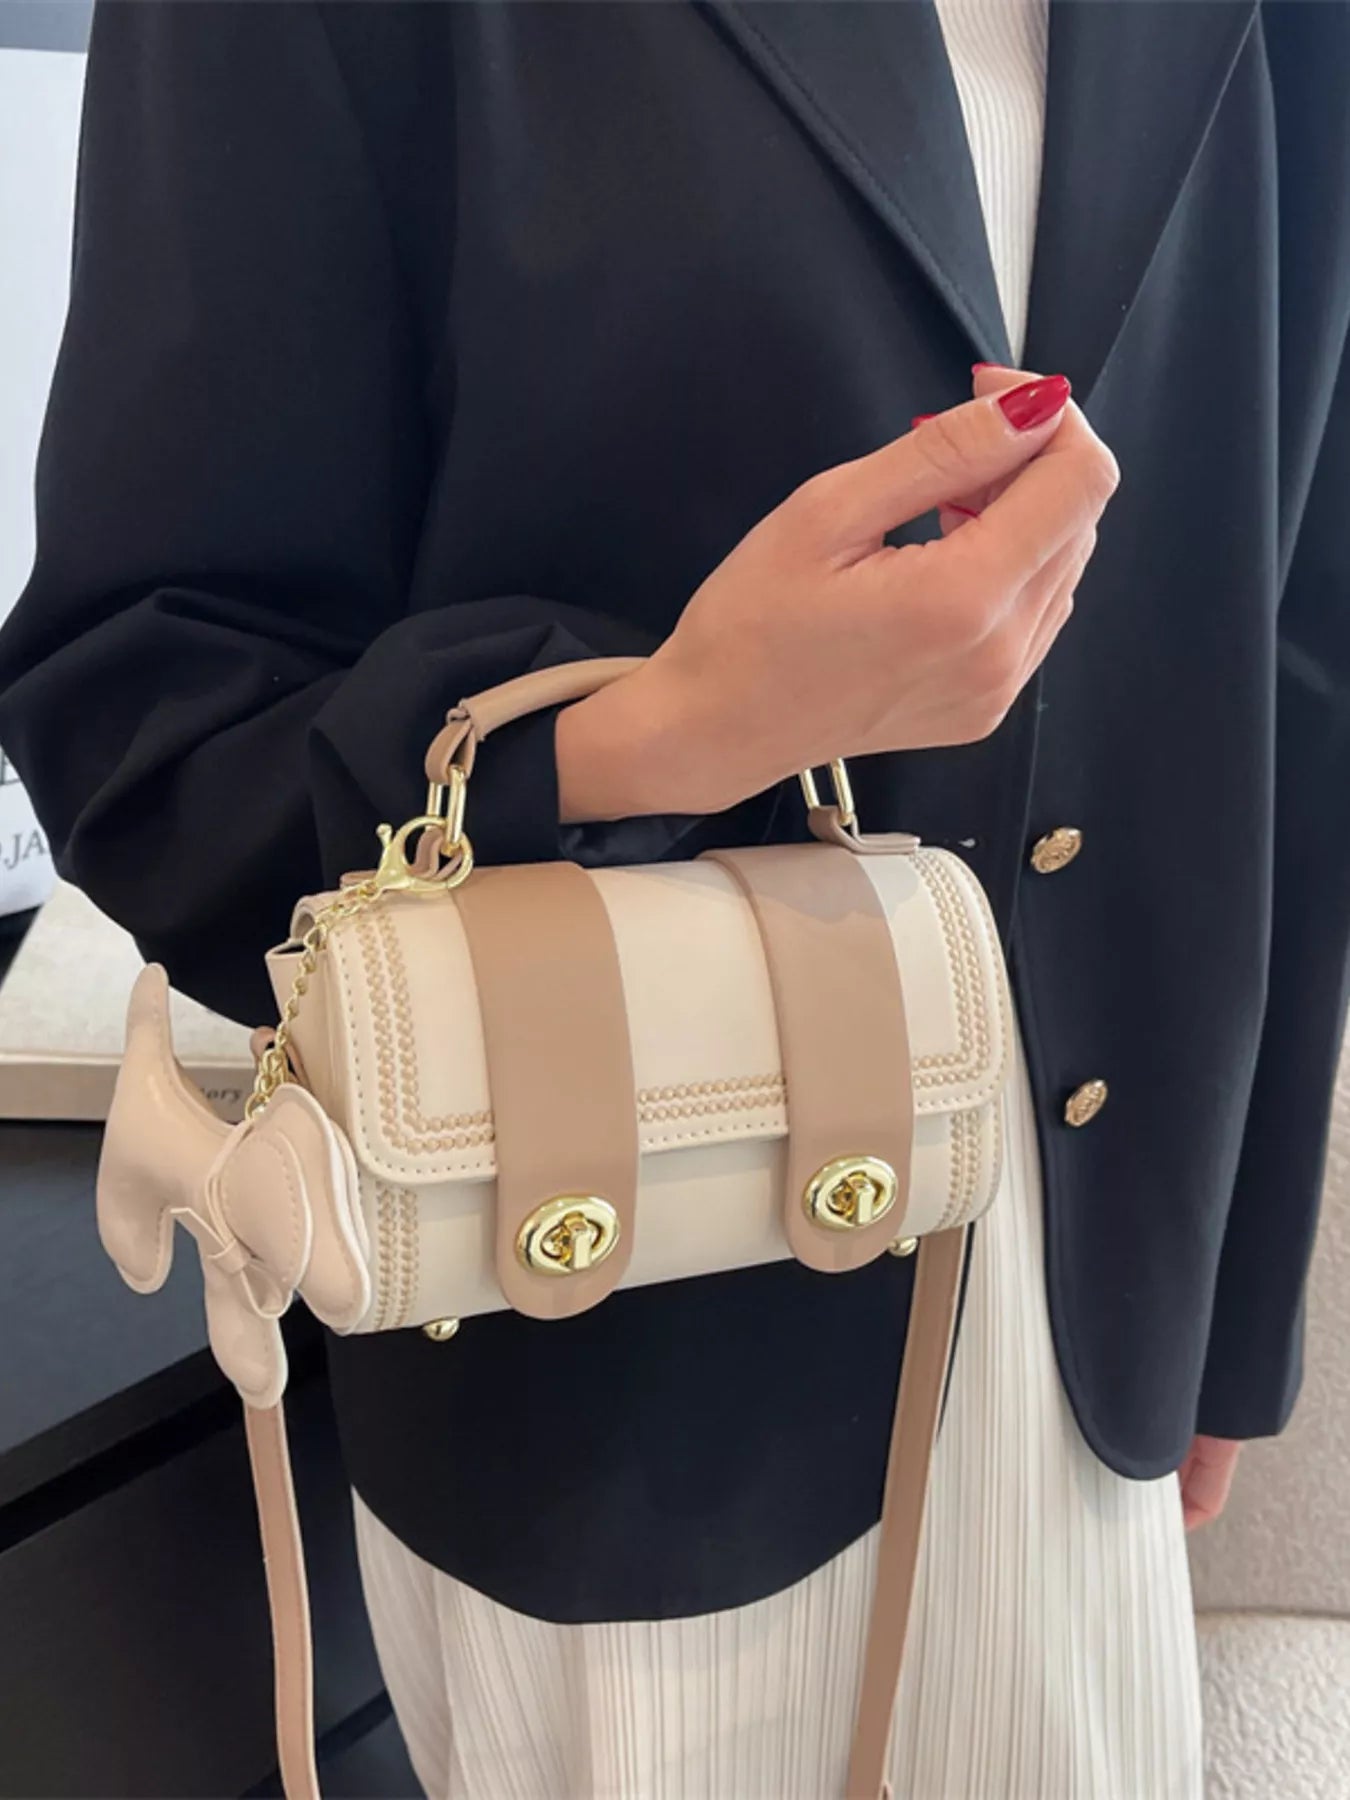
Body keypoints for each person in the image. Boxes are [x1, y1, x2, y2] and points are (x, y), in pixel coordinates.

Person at [3, 2, 1348, 1794]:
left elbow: (1291, 615)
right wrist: (664, 729)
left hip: (1085, 1297)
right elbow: (146, 714)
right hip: (616, 1323)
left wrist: (1236, 1288)